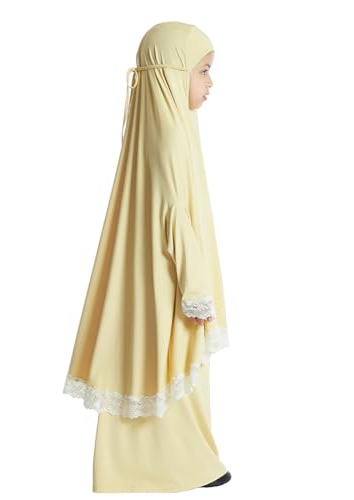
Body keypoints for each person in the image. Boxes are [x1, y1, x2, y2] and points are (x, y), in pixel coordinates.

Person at [62, 21, 232, 492]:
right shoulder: (171, 136)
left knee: (154, 365)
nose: (211, 82)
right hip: (171, 280)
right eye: (203, 71)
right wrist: (197, 290)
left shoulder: (160, 128)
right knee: (175, 369)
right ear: (173, 74)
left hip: (153, 275)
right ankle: (187, 465)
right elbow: (173, 214)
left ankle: (149, 465)